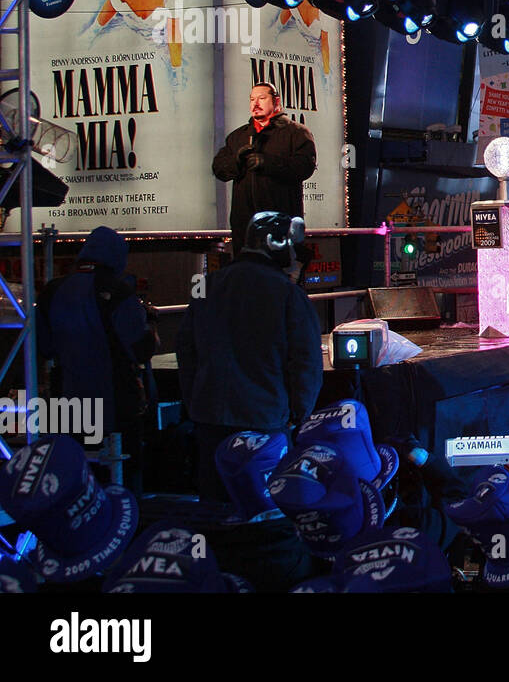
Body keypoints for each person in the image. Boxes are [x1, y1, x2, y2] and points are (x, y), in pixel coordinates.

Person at [177, 212, 323, 502]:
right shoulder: (287, 294)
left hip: (209, 420)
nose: (295, 254)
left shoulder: (206, 286)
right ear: (274, 242)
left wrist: (195, 402)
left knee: (216, 508)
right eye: (292, 245)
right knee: (264, 511)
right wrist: (299, 412)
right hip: (265, 421)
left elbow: (186, 350)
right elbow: (306, 362)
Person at [35, 226, 157, 492]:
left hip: (65, 403)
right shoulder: (120, 293)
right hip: (115, 404)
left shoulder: (52, 291)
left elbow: (44, 347)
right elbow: (140, 348)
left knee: (74, 475)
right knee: (119, 473)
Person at [212, 82, 316, 255]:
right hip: (244, 228)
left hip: (280, 225)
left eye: (262, 98)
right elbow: (218, 169)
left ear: (276, 101)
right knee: (246, 276)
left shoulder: (296, 133)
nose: (256, 103)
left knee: (278, 275)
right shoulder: (239, 136)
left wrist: (267, 163)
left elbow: (304, 167)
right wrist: (237, 161)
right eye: (252, 99)